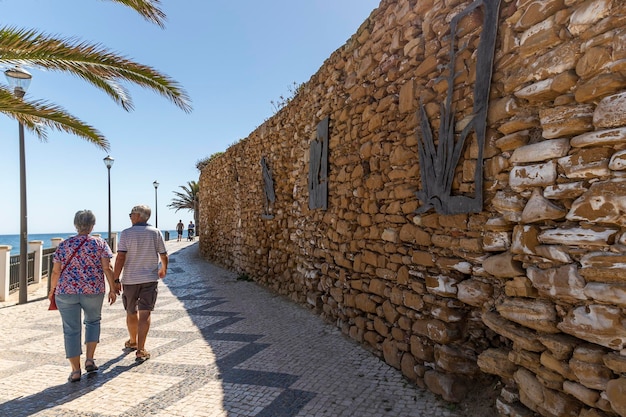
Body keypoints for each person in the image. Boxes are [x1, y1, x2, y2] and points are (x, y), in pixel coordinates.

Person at [48, 210, 118, 383]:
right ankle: (89, 360)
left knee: (71, 330)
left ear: (75, 225)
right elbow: (107, 267)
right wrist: (112, 287)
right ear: (92, 225)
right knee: (93, 322)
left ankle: (75, 371)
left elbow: (56, 271)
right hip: (93, 290)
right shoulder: (99, 243)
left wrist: (52, 290)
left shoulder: (64, 245)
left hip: (66, 291)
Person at [113, 204, 168, 362]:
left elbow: (120, 257)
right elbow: (163, 254)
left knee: (131, 311)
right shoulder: (155, 233)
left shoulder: (126, 234)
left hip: (130, 280)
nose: (130, 216)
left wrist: (116, 279)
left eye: (131, 214)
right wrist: (164, 268)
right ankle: (140, 349)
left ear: (138, 216)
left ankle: (133, 341)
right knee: (145, 313)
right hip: (149, 279)